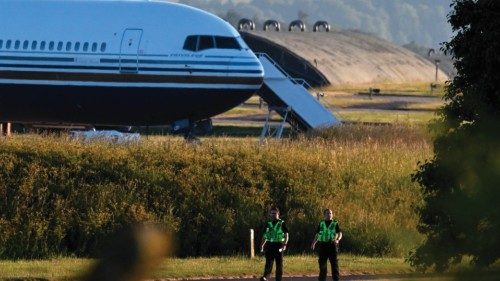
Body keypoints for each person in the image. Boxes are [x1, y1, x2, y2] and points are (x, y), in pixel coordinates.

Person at [311, 208, 342, 281]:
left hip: (332, 245)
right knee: (322, 265)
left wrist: (338, 239)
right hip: (323, 246)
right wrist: (313, 243)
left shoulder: (335, 223)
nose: (329, 215)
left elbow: (340, 233)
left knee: (334, 265)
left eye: (330, 213)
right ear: (324, 215)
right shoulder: (321, 223)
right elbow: (318, 234)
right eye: (327, 213)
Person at [259, 207, 289, 281]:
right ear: (270, 214)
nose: (273, 214)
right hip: (270, 245)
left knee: (279, 264)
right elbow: (265, 236)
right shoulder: (268, 223)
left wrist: (284, 244)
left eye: (275, 213)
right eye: (272, 213)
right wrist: (262, 245)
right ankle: (265, 277)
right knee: (268, 262)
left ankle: (278, 279)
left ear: (278, 214)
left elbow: (286, 235)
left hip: (279, 245)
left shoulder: (282, 223)